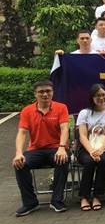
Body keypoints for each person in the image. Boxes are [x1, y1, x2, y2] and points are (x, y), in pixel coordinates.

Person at [12, 81, 70, 216]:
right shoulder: (27, 111)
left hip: (56, 148)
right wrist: (18, 153)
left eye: (48, 91)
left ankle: (57, 200)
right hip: (35, 150)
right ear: (35, 94)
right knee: (20, 164)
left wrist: (62, 147)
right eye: (41, 92)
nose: (45, 94)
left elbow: (64, 128)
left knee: (63, 160)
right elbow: (22, 133)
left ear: (52, 93)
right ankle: (30, 203)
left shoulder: (61, 107)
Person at [76, 84, 105, 211]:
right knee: (89, 162)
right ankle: (84, 197)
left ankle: (97, 196)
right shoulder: (85, 113)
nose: (101, 98)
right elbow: (82, 135)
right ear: (92, 97)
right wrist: (92, 151)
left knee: (103, 161)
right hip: (87, 147)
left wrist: (101, 150)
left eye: (103, 95)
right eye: (97, 95)